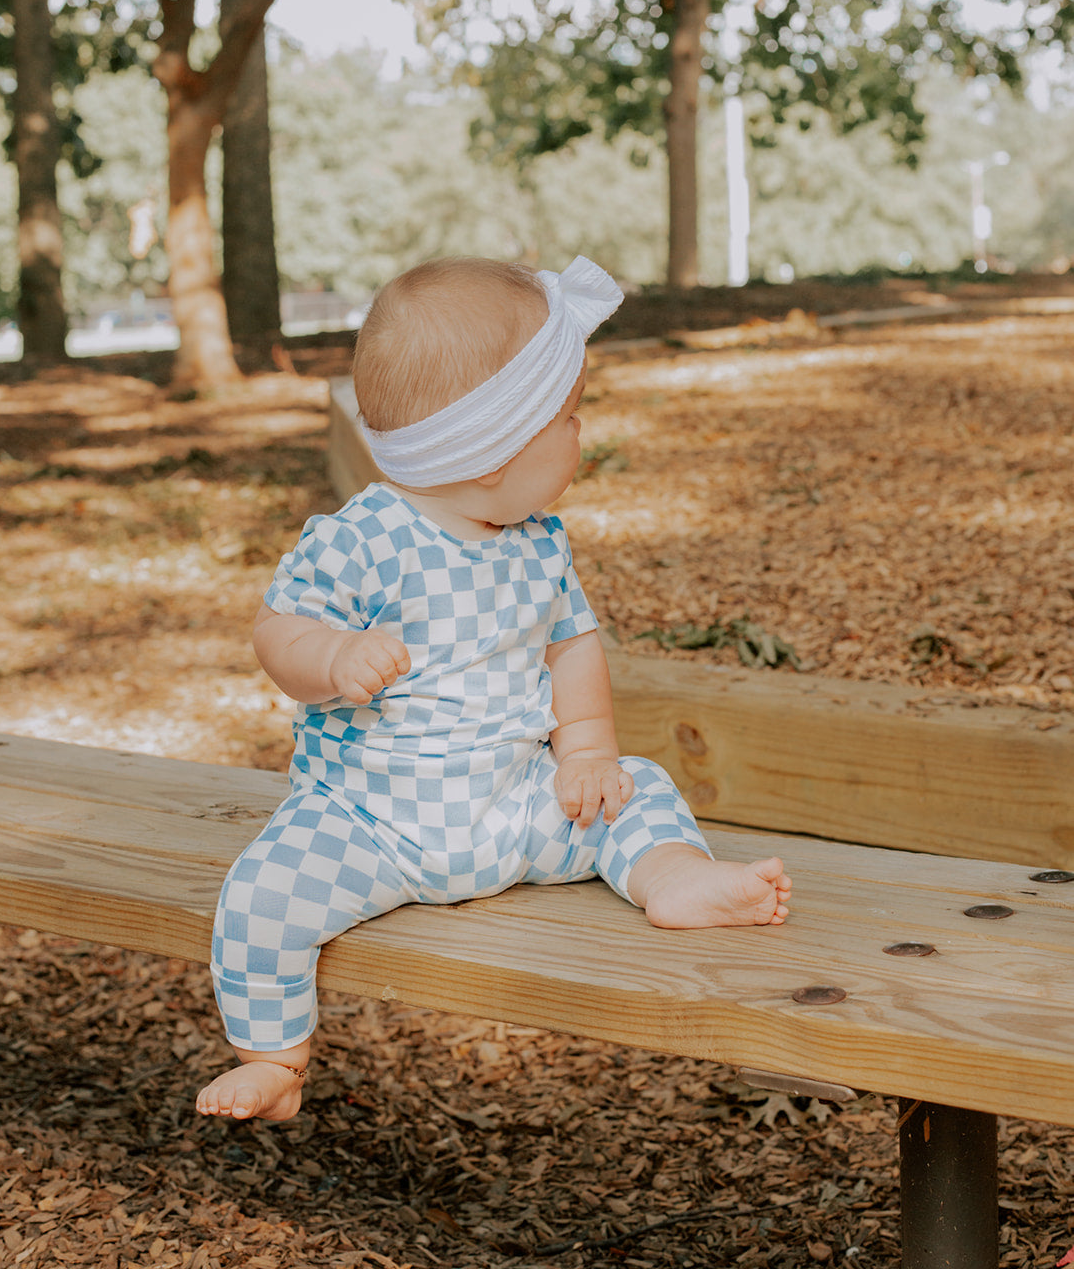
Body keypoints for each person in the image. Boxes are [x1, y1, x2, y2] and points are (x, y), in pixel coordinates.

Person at [196, 255, 791, 1122]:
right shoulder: (361, 539)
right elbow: (274, 632)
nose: (581, 434)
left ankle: (673, 878)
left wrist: (583, 753)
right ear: (491, 452)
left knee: (637, 789)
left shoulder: (539, 540)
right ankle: (276, 1059)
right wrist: (331, 659)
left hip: (515, 808)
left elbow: (571, 644)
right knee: (260, 899)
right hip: (368, 822)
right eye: (570, 416)